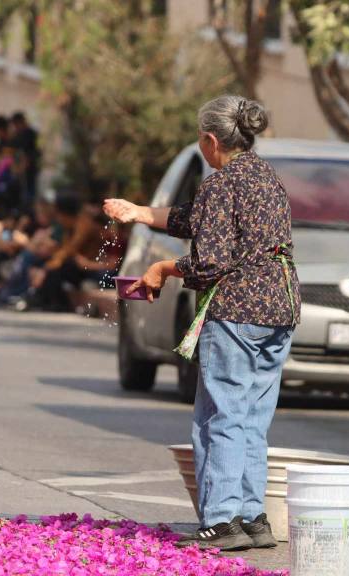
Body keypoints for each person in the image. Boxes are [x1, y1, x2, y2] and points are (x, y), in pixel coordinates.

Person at [103, 95, 299, 550]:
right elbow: (199, 221)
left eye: (198, 137)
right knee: (251, 418)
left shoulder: (220, 183)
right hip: (280, 309)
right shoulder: (266, 178)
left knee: (221, 417)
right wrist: (138, 213)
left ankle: (222, 520)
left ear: (210, 140)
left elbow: (208, 262)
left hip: (237, 311)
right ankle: (253, 519)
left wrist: (160, 270)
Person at [11, 112, 41, 206]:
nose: (15, 127)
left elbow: (32, 152)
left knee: (29, 195)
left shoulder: (29, 134)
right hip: (23, 169)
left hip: (29, 169)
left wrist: (26, 162)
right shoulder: (19, 135)